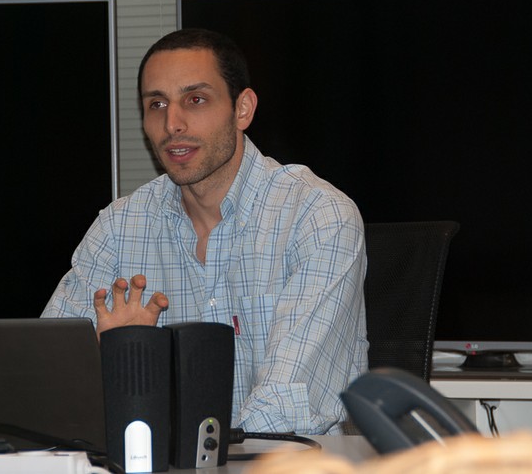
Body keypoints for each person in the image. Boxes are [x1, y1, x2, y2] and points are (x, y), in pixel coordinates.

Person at [42, 28, 368, 436]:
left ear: (242, 109)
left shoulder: (317, 217)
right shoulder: (118, 228)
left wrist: (189, 450)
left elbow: (287, 410)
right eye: (156, 104)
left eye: (195, 99)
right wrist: (108, 365)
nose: (172, 124)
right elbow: (45, 381)